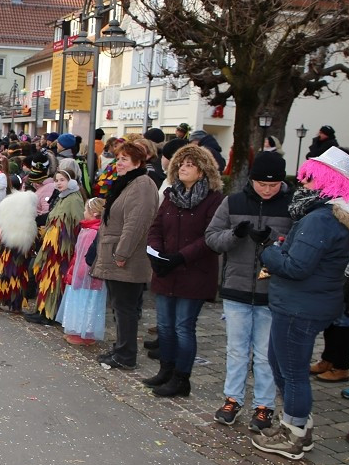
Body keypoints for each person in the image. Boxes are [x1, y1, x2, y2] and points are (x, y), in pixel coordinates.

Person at [252, 146, 349, 460]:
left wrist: (267, 249)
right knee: (282, 365)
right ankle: (296, 422)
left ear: (327, 181)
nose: (303, 185)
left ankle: (294, 435)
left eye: (309, 179)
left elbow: (296, 267)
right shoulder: (330, 216)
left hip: (300, 305)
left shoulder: (321, 219)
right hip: (303, 302)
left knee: (291, 371)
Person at [205, 151, 293, 431]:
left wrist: (274, 242)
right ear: (252, 180)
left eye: (273, 185)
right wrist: (236, 235)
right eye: (261, 184)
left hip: (272, 291)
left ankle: (264, 405)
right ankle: (232, 399)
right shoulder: (233, 202)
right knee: (236, 350)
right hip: (237, 288)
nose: (267, 190)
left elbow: (297, 247)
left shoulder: (290, 207)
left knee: (267, 353)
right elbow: (211, 238)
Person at [142, 144, 225, 398]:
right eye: (181, 164)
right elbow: (156, 227)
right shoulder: (170, 195)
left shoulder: (214, 200)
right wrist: (157, 252)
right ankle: (165, 370)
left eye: (190, 164)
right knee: (165, 326)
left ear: (202, 171)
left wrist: (180, 257)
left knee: (183, 327)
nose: (183, 168)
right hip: (167, 269)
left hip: (194, 272)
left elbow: (209, 237)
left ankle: (182, 378)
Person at [92, 141, 159, 370]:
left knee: (126, 308)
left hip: (127, 257)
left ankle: (126, 354)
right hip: (116, 253)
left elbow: (136, 223)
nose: (118, 163)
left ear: (138, 162)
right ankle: (121, 348)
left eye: (124, 159)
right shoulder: (128, 183)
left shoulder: (142, 185)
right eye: (118, 158)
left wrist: (122, 253)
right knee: (120, 307)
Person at [26, 168, 85, 325]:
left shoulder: (74, 199)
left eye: (62, 180)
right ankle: (43, 310)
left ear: (71, 181)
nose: (58, 183)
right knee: (47, 276)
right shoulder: (62, 198)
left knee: (55, 278)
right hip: (52, 246)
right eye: (57, 180)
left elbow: (79, 223)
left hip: (62, 248)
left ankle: (49, 314)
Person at [56, 197, 107, 345]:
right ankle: (81, 332)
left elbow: (85, 259)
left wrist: (78, 276)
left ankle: (82, 334)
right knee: (87, 304)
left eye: (86, 210)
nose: (83, 212)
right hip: (85, 276)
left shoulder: (91, 232)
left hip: (85, 278)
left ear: (94, 214)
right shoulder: (89, 229)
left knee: (84, 305)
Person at [0, 190, 38, 312]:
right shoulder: (27, 219)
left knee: (1, 274)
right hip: (15, 251)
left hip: (4, 246)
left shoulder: (6, 204)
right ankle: (15, 304)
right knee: (16, 275)